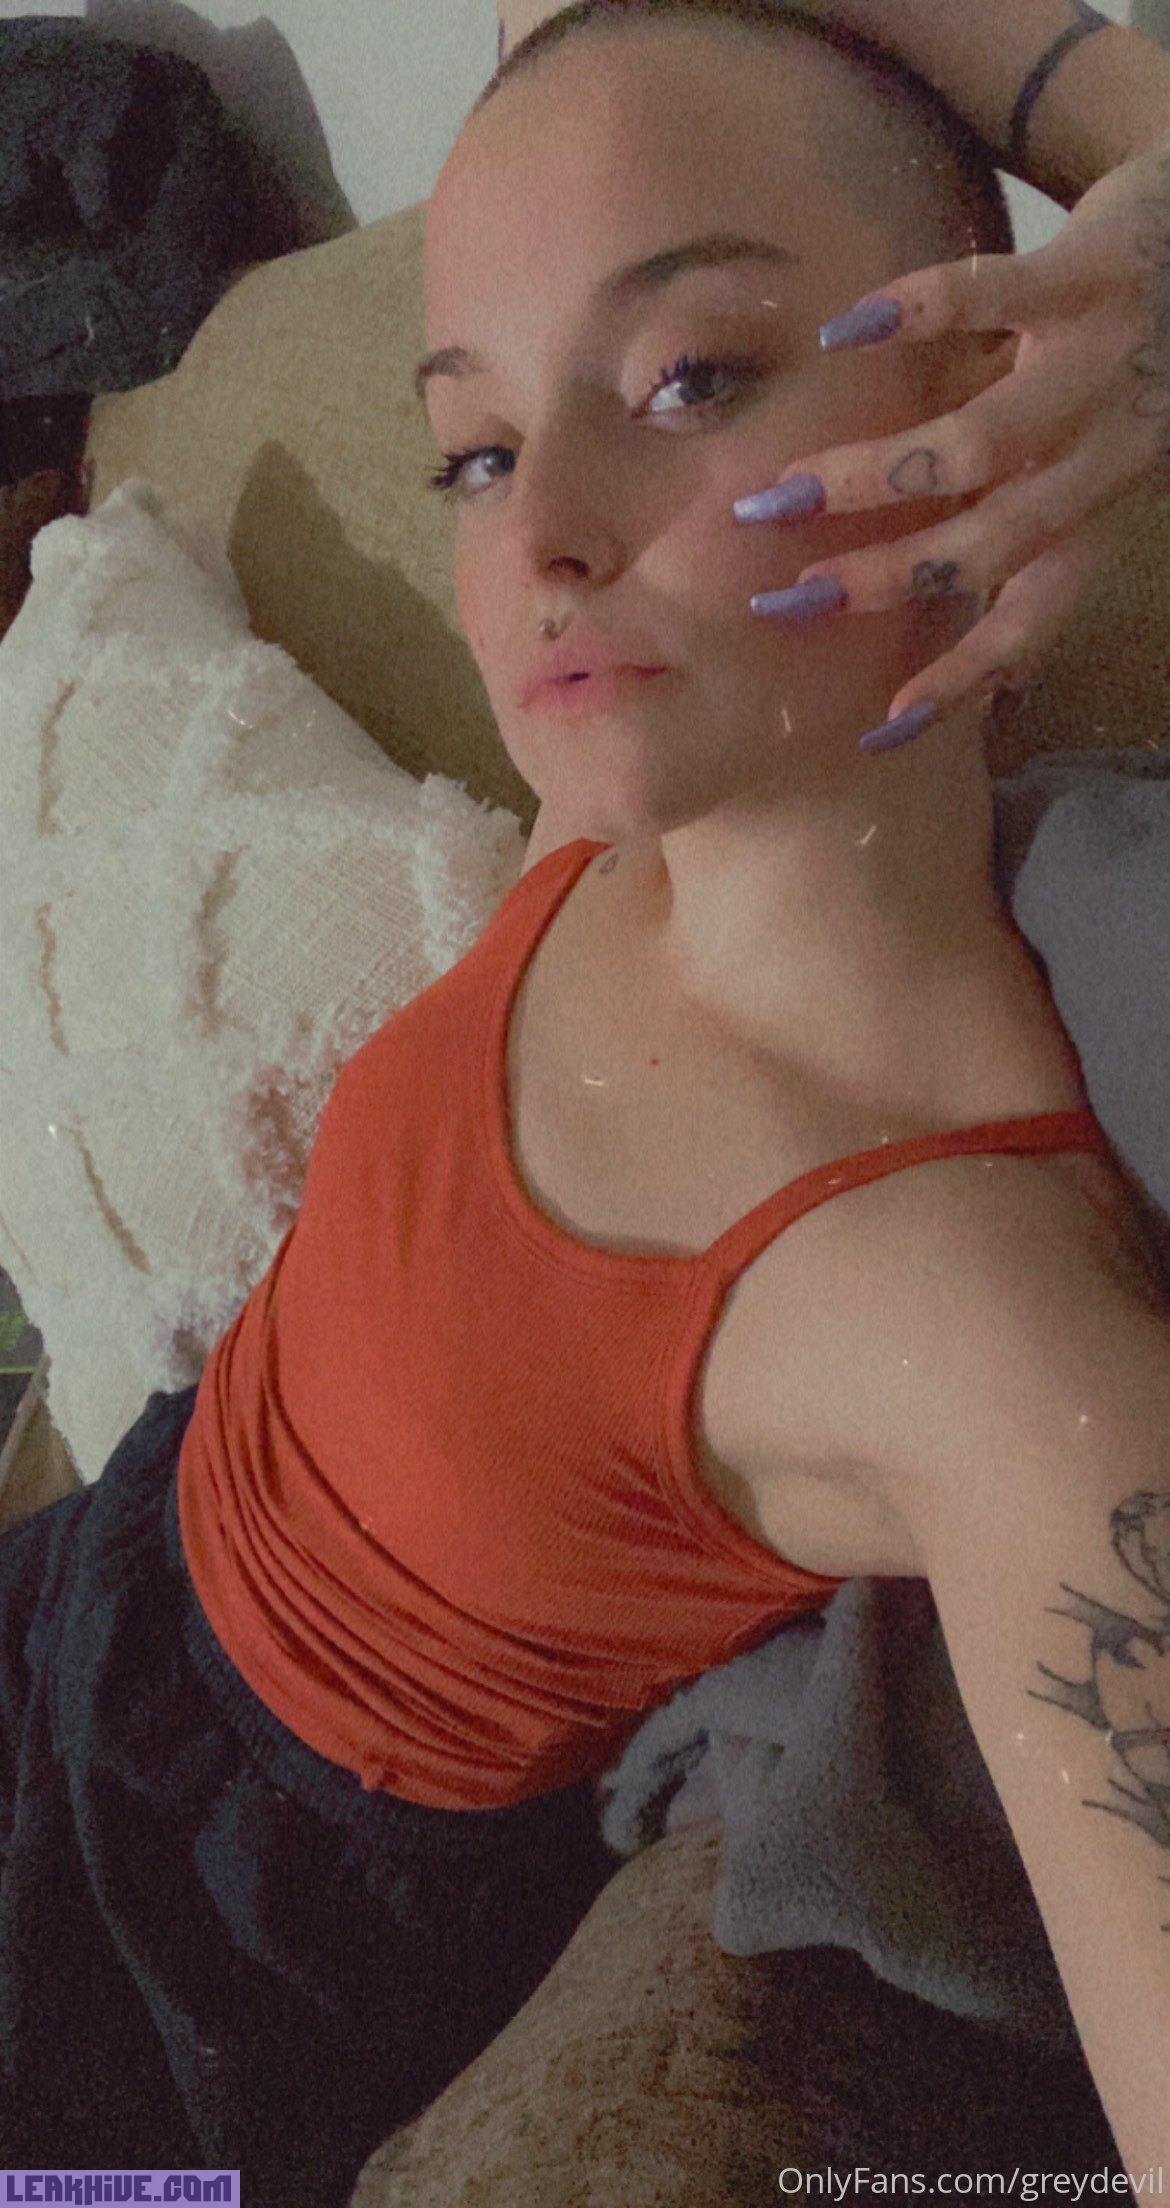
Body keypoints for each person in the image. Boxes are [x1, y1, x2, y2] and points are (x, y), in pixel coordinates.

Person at [0, 4, 1167, 2203]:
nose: (538, 531)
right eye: (473, 450)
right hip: (94, 1577)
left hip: (185, 1964)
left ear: (999, 385)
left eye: (690, 379)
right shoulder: (626, 827)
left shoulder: (969, 1322)